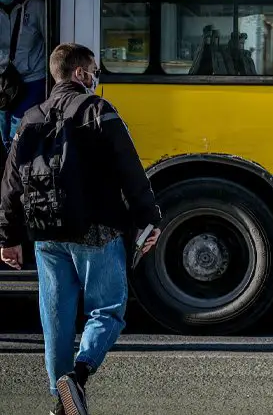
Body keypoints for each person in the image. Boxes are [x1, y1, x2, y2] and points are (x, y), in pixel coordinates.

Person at [0, 43, 162, 415]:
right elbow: (130, 169)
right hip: (95, 231)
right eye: (93, 71)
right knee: (107, 310)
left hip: (46, 235)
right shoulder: (98, 110)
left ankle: (61, 402)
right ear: (78, 74)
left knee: (55, 319)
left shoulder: (30, 117)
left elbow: (10, 183)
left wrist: (8, 238)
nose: (95, 78)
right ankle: (80, 374)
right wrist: (148, 218)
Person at [0, 0, 48, 150]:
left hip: (33, 77)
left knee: (20, 123)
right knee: (3, 123)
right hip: (4, 78)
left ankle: (15, 159)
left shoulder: (37, 8)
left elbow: (50, 40)